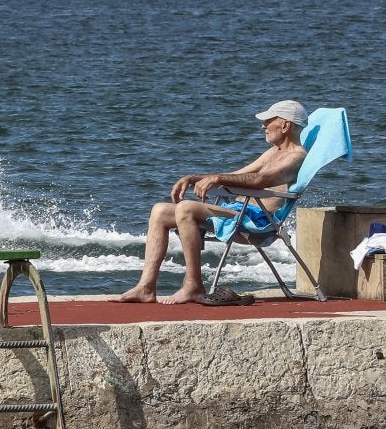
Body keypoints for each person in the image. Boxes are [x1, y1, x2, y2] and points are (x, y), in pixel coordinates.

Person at [115, 100, 310, 304]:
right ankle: (145, 287)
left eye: (268, 121)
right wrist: (195, 178)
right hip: (237, 212)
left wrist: (217, 180)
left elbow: (261, 181)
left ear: (285, 125)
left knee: (186, 208)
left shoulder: (296, 156)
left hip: (259, 222)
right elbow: (235, 175)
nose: (263, 126)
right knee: (160, 210)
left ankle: (193, 285)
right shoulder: (273, 152)